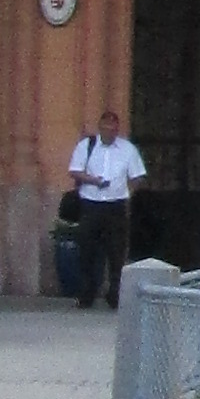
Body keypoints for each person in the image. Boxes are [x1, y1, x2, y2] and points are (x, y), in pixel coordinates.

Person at [58, 109, 147, 311]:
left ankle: (114, 294)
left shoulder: (127, 149)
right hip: (91, 204)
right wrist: (93, 180)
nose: (109, 132)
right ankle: (87, 293)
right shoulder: (87, 146)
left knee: (116, 252)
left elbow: (138, 175)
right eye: (105, 128)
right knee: (87, 250)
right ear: (100, 128)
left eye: (113, 128)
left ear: (117, 129)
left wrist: (128, 192)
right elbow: (75, 170)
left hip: (116, 205)